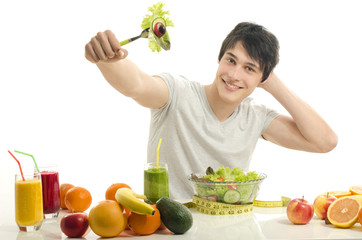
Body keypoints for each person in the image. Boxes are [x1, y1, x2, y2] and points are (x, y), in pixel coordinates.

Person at [85, 22, 338, 200]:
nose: (234, 75)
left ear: (263, 77)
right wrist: (108, 61)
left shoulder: (256, 117)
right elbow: (136, 85)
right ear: (219, 59)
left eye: (249, 69)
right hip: (166, 229)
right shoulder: (177, 93)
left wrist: (273, 84)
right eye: (231, 60)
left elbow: (325, 141)